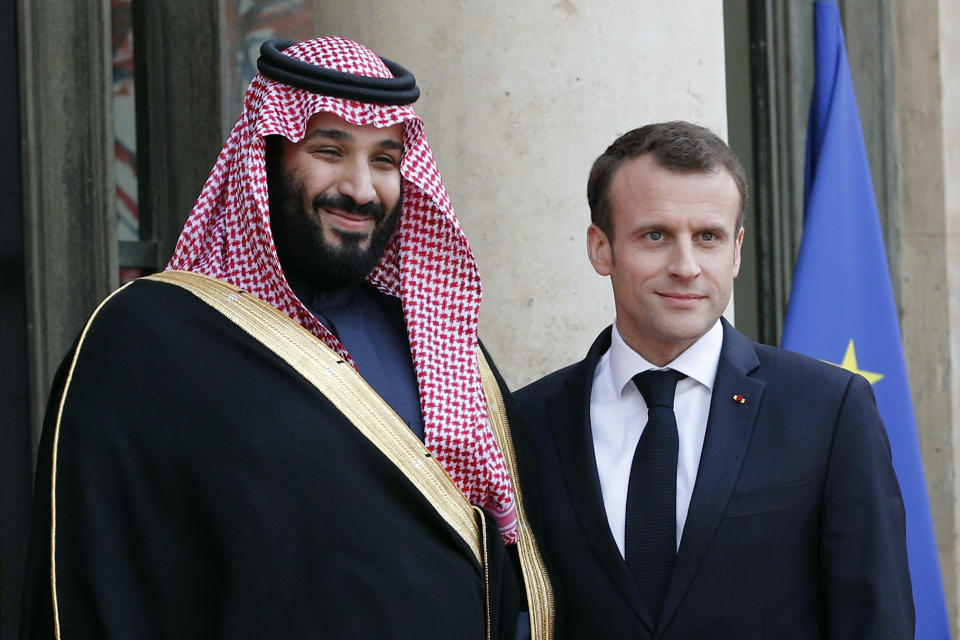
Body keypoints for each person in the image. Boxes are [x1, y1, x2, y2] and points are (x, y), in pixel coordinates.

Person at [21, 37, 552, 640]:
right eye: (329, 150)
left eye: (384, 159)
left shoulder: (441, 343)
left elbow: (505, 558)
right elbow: (99, 588)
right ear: (265, 156)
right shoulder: (149, 340)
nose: (360, 189)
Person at [514, 121, 913, 638]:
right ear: (601, 249)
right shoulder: (527, 422)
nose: (686, 266)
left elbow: (874, 621)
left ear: (737, 250)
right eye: (655, 236)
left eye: (708, 237)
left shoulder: (828, 410)